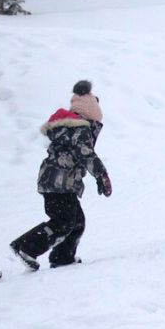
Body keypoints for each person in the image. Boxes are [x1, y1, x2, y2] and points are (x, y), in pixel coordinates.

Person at [10, 80, 111, 270]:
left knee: (76, 222)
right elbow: (85, 153)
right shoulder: (80, 129)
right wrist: (101, 174)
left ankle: (63, 256)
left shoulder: (69, 128)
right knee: (63, 222)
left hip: (57, 181)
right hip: (59, 183)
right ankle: (26, 247)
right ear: (90, 115)